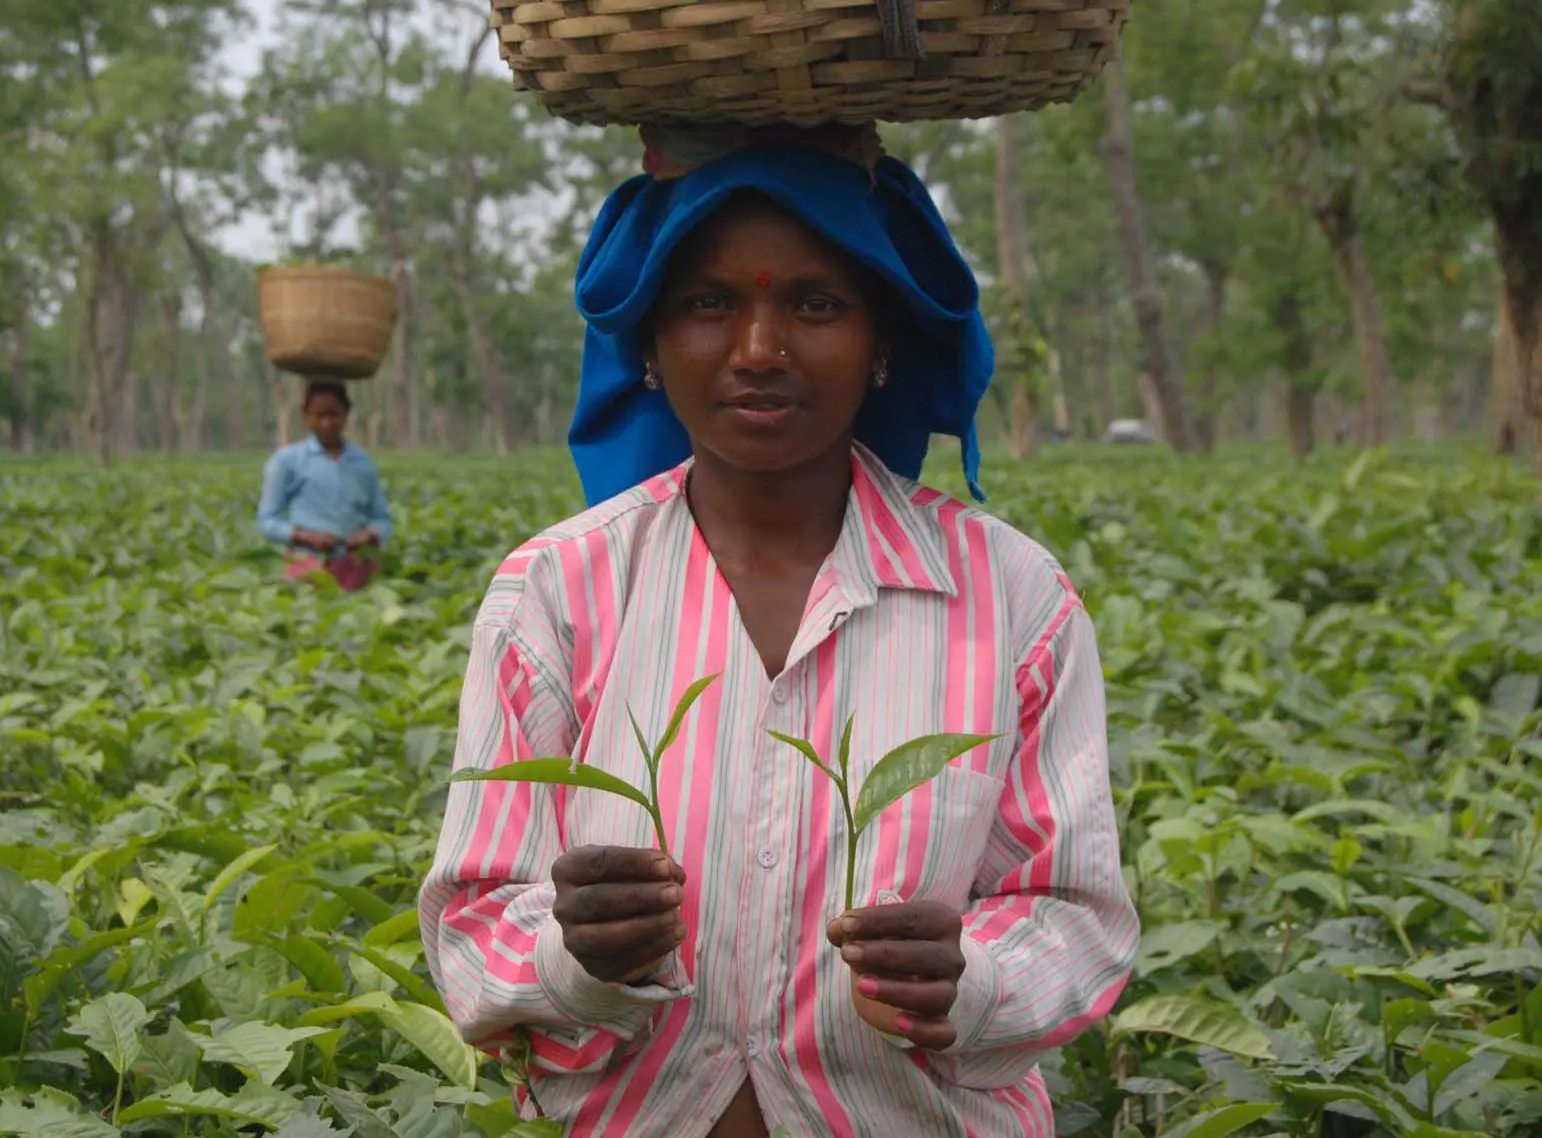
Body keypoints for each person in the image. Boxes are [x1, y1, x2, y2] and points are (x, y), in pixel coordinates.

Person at [419, 125, 1138, 1136]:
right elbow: (472, 928)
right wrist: (568, 956)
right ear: (652, 350)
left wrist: (971, 980)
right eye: (710, 304)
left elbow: (1075, 914)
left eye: (815, 304)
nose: (760, 350)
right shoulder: (558, 593)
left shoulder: (1012, 596)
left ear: (881, 341)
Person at [256, 379, 392, 592]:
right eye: (318, 415)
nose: (326, 423)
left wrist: (369, 535)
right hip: (305, 565)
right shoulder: (286, 461)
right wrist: (307, 537)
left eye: (334, 415)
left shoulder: (363, 463)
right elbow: (267, 522)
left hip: (357, 564)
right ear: (305, 415)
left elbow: (382, 519)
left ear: (347, 413)